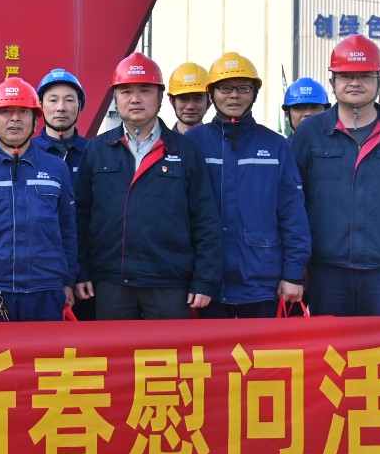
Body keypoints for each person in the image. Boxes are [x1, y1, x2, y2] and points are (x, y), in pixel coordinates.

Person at [291, 34, 380, 316]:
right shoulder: (310, 132)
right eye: (345, 76)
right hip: (325, 268)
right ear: (332, 82)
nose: (354, 83)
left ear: (379, 80)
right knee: (329, 341)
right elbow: (294, 204)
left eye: (365, 75)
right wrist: (296, 266)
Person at [75, 52, 222, 320]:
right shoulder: (97, 150)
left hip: (170, 285)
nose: (135, 99)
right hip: (111, 284)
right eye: (126, 91)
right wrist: (81, 271)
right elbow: (80, 218)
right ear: (115, 97)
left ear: (160, 96)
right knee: (114, 349)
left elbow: (205, 220)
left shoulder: (185, 151)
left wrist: (204, 279)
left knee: (169, 349)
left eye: (145, 90)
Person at [186, 52, 311, 318]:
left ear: (254, 93)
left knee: (263, 347)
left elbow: (293, 214)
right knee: (211, 347)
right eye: (225, 88)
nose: (234, 95)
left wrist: (293, 273)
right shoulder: (193, 144)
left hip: (263, 282)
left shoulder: (275, 145)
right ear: (211, 94)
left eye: (243, 88)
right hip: (206, 283)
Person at [0, 78, 78, 321]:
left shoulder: (56, 168)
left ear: (36, 120)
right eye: (5, 112)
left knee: (47, 348)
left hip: (46, 289)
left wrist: (69, 280)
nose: (15, 119)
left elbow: (68, 230)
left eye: (23, 112)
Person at [32, 67, 93, 319]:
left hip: (88, 275)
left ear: (79, 106)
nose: (61, 108)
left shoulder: (94, 152)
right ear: (40, 105)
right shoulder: (28, 153)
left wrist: (82, 271)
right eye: (53, 100)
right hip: (41, 272)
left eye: (69, 100)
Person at [166, 62, 210, 134]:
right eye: (183, 99)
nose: (190, 106)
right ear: (172, 101)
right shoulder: (161, 140)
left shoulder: (219, 140)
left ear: (209, 101)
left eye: (197, 99)